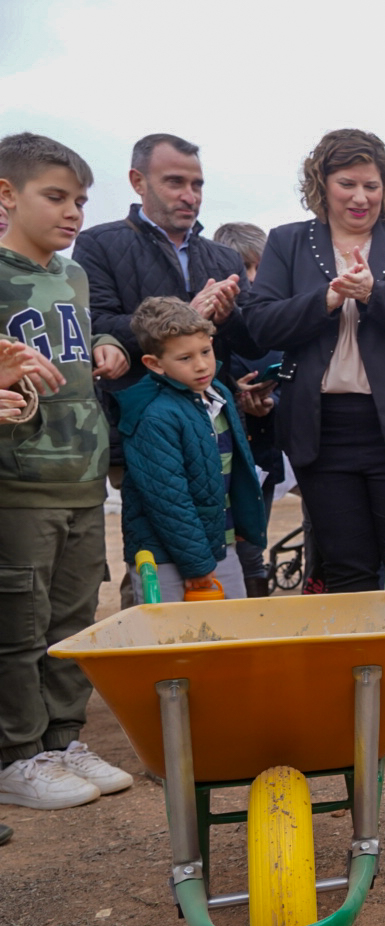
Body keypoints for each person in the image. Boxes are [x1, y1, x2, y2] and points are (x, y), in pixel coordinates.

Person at [239, 129, 385, 735]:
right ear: (322, 186)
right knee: (346, 567)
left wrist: (375, 294)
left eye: (372, 184)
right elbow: (259, 324)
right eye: (348, 184)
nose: (360, 196)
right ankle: (366, 685)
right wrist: (325, 297)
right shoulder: (289, 242)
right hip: (325, 428)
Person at [0, 132, 134, 814]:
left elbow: (77, 338)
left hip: (82, 480)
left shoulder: (75, 275)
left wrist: (107, 345)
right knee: (18, 625)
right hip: (19, 486)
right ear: (6, 195)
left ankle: (62, 740)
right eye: (55, 196)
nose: (73, 212)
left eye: (81, 199)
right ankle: (17, 755)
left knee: (74, 619)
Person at [74, 135, 262, 467]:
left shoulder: (225, 258)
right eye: (175, 182)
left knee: (230, 519)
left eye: (197, 185)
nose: (190, 196)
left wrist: (227, 317)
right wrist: (185, 317)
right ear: (138, 181)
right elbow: (95, 327)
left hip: (217, 426)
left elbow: (253, 345)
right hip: (140, 426)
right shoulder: (99, 244)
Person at [115, 296, 267, 602]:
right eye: (185, 358)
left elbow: (232, 466)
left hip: (219, 543)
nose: (201, 365)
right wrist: (197, 564)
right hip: (167, 556)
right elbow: (168, 499)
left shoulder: (218, 392)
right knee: (171, 641)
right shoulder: (154, 415)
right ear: (154, 364)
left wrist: (241, 521)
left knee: (231, 635)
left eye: (206, 352)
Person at [212, 221, 282, 598]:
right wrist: (230, 396)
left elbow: (292, 380)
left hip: (262, 455)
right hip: (220, 455)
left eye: (260, 267)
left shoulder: (274, 322)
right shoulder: (210, 324)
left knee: (253, 551)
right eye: (245, 267)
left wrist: (270, 402)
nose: (252, 278)